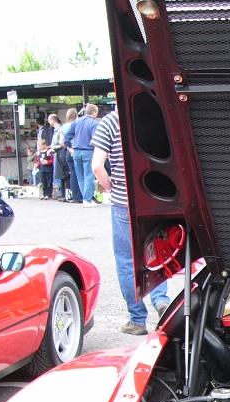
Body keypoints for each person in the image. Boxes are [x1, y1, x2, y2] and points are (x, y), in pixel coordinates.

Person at [92, 107, 170, 335]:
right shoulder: (154, 116)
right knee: (155, 254)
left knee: (127, 260)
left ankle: (137, 320)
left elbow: (97, 166)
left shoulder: (110, 121)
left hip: (124, 202)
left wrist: (110, 187)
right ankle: (161, 300)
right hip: (154, 199)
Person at [72, 104, 100, 206]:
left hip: (76, 151)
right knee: (89, 176)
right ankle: (87, 199)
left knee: (80, 177)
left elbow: (68, 135)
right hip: (88, 151)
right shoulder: (94, 124)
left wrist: (69, 146)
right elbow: (95, 140)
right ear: (94, 113)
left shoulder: (76, 122)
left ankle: (85, 197)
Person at [61, 108, 82, 204]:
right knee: (81, 174)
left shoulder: (64, 127)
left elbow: (61, 142)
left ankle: (75, 196)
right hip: (77, 150)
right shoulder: (78, 125)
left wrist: (69, 148)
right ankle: (83, 195)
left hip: (68, 152)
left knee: (73, 174)